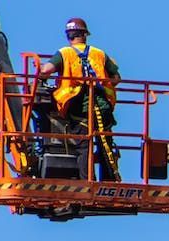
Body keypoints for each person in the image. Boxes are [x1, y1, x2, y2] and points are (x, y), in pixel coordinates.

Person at [38, 17, 121, 181]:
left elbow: (46, 71)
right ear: (85, 35)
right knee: (105, 144)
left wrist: (39, 72)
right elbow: (116, 78)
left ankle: (87, 182)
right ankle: (110, 182)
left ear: (68, 36)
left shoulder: (65, 53)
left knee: (84, 146)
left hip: (80, 107)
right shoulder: (99, 53)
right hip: (102, 105)